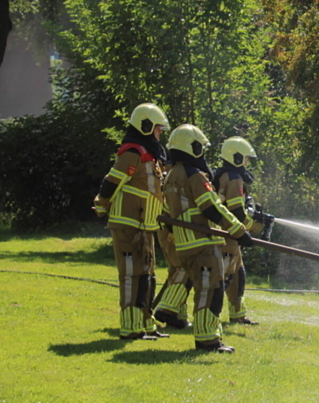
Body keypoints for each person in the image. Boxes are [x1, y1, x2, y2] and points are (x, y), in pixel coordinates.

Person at [163, 124, 253, 353]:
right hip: (203, 241)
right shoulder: (195, 175)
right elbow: (211, 206)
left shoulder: (171, 174)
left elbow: (167, 213)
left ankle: (171, 310)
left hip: (184, 243)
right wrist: (238, 230)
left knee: (198, 286)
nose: (201, 151)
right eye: (199, 147)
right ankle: (208, 340)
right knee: (210, 291)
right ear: (190, 147)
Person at [93, 103, 171, 340]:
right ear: (146, 127)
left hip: (146, 225)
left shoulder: (151, 156)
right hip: (127, 224)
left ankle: (146, 324)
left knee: (146, 275)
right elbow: (112, 181)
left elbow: (156, 192)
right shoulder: (133, 152)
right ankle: (130, 328)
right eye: (157, 129)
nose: (159, 134)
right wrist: (101, 204)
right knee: (131, 275)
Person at [214, 136, 267, 326]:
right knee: (225, 277)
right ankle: (212, 317)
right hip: (228, 234)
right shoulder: (234, 178)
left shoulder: (224, 174)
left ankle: (238, 315)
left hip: (229, 234)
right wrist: (255, 226)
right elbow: (236, 211)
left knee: (238, 274)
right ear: (236, 157)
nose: (246, 163)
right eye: (245, 158)